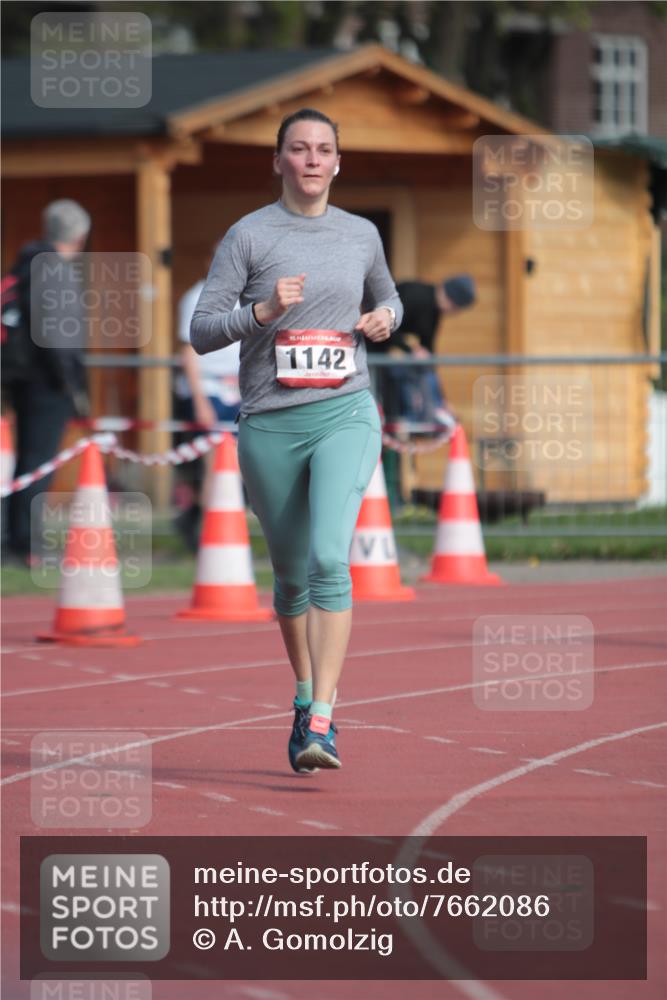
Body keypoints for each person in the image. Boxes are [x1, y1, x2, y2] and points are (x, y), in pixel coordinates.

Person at [191, 107, 402, 773]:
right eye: (299, 149)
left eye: (323, 150)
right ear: (278, 161)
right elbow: (199, 331)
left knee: (327, 560)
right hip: (269, 422)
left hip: (345, 411)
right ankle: (304, 695)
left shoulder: (361, 234)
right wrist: (261, 312)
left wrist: (381, 320)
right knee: (288, 582)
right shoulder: (248, 236)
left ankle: (323, 721)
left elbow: (391, 301)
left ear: (337, 162)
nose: (311, 160)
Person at [3, 200, 90, 565]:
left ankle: (17, 539)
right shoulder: (56, 270)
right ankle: (28, 545)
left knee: (25, 459)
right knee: (38, 463)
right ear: (79, 235)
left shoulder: (27, 262)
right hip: (46, 382)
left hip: (19, 377)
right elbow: (57, 337)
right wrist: (72, 385)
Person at [172, 263, 241, 551]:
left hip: (238, 390)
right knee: (216, 464)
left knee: (234, 465)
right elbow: (187, 350)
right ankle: (210, 532)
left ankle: (205, 522)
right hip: (209, 389)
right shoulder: (197, 296)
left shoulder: (244, 297)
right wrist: (200, 400)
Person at [372, 274, 477, 432]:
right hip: (374, 352)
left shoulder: (434, 311)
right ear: (451, 299)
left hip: (390, 361)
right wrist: (411, 349)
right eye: (455, 308)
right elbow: (386, 326)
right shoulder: (415, 295)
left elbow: (428, 353)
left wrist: (442, 399)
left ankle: (433, 410)